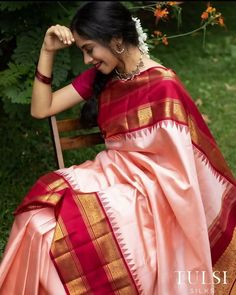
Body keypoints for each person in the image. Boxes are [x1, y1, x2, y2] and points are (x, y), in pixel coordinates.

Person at [0, 1, 235, 294]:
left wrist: (140, 182)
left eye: (89, 49)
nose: (87, 60)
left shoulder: (163, 85)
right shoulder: (102, 76)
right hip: (110, 175)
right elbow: (41, 108)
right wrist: (47, 51)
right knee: (36, 221)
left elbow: (181, 168)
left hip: (152, 194)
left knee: (61, 234)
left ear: (115, 40)